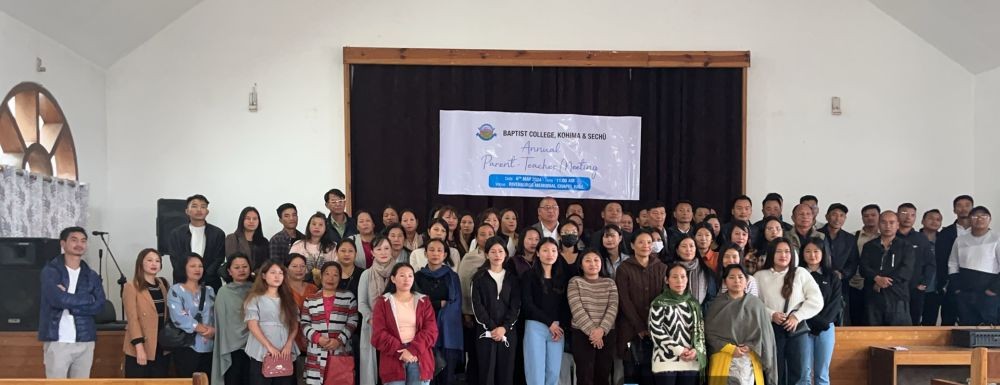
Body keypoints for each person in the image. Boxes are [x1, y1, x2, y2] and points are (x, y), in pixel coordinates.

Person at [754, 237, 823, 385]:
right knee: (774, 372)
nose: (783, 255)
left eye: (787, 251)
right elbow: (753, 303)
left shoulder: (801, 273)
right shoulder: (760, 276)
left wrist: (797, 317)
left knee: (799, 373)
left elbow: (817, 300)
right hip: (771, 329)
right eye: (779, 251)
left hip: (796, 329)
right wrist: (771, 314)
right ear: (771, 254)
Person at [38, 227, 105, 379]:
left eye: (83, 241)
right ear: (63, 243)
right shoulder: (51, 271)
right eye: (74, 240)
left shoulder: (91, 275)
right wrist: (88, 299)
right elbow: (57, 299)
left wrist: (68, 299)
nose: (79, 244)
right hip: (58, 340)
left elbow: (100, 305)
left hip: (85, 340)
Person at [705, 264, 777, 385]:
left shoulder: (756, 304)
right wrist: (731, 349)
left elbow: (766, 337)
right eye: (731, 277)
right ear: (725, 281)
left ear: (747, 281)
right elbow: (709, 335)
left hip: (750, 359)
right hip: (723, 358)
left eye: (740, 277)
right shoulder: (716, 305)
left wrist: (750, 346)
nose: (736, 281)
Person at [371, 263, 439, 385]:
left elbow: (431, 331)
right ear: (393, 279)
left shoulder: (423, 301)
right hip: (392, 357)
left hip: (418, 356)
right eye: (402, 275)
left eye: (410, 276)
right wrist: (401, 351)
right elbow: (378, 334)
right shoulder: (383, 302)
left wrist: (412, 350)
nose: (407, 279)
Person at [616, 229, 668, 385]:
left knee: (650, 375)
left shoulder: (662, 267)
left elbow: (664, 299)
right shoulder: (624, 268)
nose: (646, 245)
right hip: (630, 330)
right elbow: (624, 300)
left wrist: (653, 326)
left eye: (649, 242)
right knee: (631, 373)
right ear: (632, 245)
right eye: (641, 242)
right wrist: (639, 327)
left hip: (656, 331)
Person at [471, 237, 522, 385]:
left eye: (500, 251)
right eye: (492, 251)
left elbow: (516, 306)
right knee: (486, 374)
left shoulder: (512, 278)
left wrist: (504, 328)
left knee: (506, 374)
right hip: (486, 332)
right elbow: (477, 307)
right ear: (487, 254)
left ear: (506, 254)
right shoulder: (479, 277)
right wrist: (493, 328)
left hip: (508, 333)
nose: (497, 255)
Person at [522, 238, 571, 385]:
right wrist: (549, 323)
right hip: (535, 326)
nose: (550, 254)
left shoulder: (562, 277)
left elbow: (566, 306)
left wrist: (561, 326)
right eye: (545, 250)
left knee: (553, 373)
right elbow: (527, 304)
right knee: (535, 373)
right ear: (537, 253)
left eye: (553, 250)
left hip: (558, 329)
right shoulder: (529, 276)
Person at [301, 261, 359, 385]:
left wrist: (339, 340)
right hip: (316, 351)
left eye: (335, 275)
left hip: (340, 351)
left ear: (340, 278)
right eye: (327, 274)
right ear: (321, 276)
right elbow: (304, 323)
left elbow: (353, 321)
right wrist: (318, 338)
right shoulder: (310, 299)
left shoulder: (348, 297)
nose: (330, 278)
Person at [414, 238, 464, 385]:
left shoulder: (452, 276)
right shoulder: (417, 276)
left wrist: (433, 303)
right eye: (431, 250)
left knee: (447, 376)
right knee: (427, 375)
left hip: (447, 330)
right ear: (425, 253)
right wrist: (437, 304)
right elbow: (417, 302)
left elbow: (455, 303)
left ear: (444, 255)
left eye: (439, 250)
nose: (435, 253)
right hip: (424, 329)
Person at [244, 259, 300, 385]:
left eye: (280, 273)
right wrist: (269, 347)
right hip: (261, 349)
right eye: (273, 272)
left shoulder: (289, 299)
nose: (277, 276)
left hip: (285, 349)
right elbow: (252, 325)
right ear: (263, 275)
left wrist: (289, 344)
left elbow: (294, 324)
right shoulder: (255, 298)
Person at [649, 263, 706, 385]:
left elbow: (700, 331)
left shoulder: (693, 303)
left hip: (690, 360)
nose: (679, 280)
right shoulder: (659, 302)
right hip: (665, 361)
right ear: (667, 280)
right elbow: (655, 330)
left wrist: (696, 351)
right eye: (674, 277)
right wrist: (679, 350)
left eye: (683, 276)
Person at [568, 250, 619, 385]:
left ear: (601, 263)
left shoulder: (610, 283)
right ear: (581, 264)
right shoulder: (575, 282)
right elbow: (576, 308)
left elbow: (613, 308)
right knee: (584, 376)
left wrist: (601, 330)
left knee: (603, 375)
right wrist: (593, 331)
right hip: (582, 334)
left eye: (596, 260)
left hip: (607, 334)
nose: (593, 264)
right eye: (588, 260)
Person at [860, 211, 915, 326]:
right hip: (873, 296)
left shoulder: (906, 246)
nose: (888, 226)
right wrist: (876, 278)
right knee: (873, 335)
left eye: (891, 222)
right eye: (884, 222)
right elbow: (863, 268)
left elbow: (906, 270)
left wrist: (883, 282)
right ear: (879, 224)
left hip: (897, 296)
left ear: (898, 225)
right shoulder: (869, 246)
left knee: (898, 336)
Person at [948, 206, 1000, 326]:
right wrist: (957, 288)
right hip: (965, 290)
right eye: (975, 216)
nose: (979, 219)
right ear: (970, 220)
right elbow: (953, 264)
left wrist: (994, 289)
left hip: (989, 290)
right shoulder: (960, 240)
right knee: (966, 324)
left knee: (990, 324)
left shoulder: (996, 238)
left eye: (984, 216)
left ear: (990, 219)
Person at [123, 248, 170, 378]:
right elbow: (133, 319)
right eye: (149, 260)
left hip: (160, 345)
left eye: (157, 261)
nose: (154, 264)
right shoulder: (131, 286)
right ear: (141, 263)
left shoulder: (162, 284)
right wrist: (139, 348)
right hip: (140, 345)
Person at [168, 253, 217, 379]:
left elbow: (216, 315)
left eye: (200, 266)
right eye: (193, 266)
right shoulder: (176, 290)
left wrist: (215, 330)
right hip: (186, 346)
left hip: (209, 346)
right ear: (184, 268)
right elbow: (179, 317)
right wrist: (205, 330)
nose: (197, 269)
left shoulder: (209, 290)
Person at [800, 240, 842, 385]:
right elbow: (797, 302)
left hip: (825, 328)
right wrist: (811, 322)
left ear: (824, 254)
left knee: (822, 375)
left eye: (816, 251)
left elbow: (835, 304)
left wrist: (821, 323)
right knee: (803, 373)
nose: (812, 255)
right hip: (803, 327)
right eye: (808, 251)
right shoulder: (798, 274)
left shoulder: (832, 276)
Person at [211, 253, 253, 385]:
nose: (241, 270)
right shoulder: (223, 293)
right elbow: (221, 324)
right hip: (231, 347)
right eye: (237, 267)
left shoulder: (257, 290)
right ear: (229, 271)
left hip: (255, 346)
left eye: (245, 266)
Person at [358, 236, 395, 385]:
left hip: (395, 329)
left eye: (386, 248)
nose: (383, 252)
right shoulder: (366, 274)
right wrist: (372, 319)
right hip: (372, 326)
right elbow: (361, 303)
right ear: (372, 252)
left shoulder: (400, 271)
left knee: (393, 369)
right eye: (378, 249)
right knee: (374, 367)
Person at [168, 194, 226, 289]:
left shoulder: (218, 233)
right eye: (194, 206)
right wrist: (188, 276)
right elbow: (175, 258)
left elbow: (219, 259)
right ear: (187, 211)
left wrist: (204, 276)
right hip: (184, 282)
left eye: (203, 207)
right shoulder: (176, 233)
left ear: (207, 211)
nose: (199, 210)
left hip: (210, 283)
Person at [933, 196, 973, 326]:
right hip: (951, 282)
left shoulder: (984, 233)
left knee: (972, 320)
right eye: (959, 206)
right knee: (948, 319)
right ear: (954, 210)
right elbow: (940, 259)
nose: (963, 209)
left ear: (972, 208)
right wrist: (943, 283)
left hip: (975, 284)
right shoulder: (945, 233)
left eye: (967, 205)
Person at [895, 203, 936, 325]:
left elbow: (930, 263)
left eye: (912, 215)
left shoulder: (921, 239)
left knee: (913, 321)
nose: (908, 217)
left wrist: (923, 283)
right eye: (904, 214)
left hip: (915, 288)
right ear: (897, 215)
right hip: (894, 288)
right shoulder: (890, 236)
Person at [817, 204, 859, 323]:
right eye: (834, 214)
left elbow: (854, 262)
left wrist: (842, 274)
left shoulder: (850, 239)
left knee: (841, 315)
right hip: (819, 280)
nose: (837, 218)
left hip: (841, 282)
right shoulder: (817, 235)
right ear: (827, 216)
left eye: (842, 216)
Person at [287, 254, 320, 383]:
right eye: (294, 266)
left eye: (302, 266)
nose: (299, 269)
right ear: (286, 268)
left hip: (312, 340)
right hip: (290, 342)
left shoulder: (313, 288)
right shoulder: (282, 289)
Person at [848, 204, 881, 326]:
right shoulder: (852, 236)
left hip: (876, 285)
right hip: (855, 284)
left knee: (873, 320)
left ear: (879, 216)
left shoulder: (886, 237)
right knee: (855, 319)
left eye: (873, 215)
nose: (870, 218)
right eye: (866, 216)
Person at [675, 235, 718, 312]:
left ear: (696, 249)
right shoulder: (670, 270)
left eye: (691, 246)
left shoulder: (706, 271)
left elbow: (712, 297)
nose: (688, 249)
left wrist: (698, 311)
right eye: (684, 246)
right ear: (677, 251)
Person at [291, 213, 338, 282]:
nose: (317, 227)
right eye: (314, 224)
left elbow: (336, 268)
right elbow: (290, 266)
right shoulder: (298, 244)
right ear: (309, 226)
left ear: (326, 228)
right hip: (301, 283)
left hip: (326, 283)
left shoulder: (332, 246)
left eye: (320, 225)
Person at [919, 208, 944, 325]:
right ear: (922, 221)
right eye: (931, 218)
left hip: (935, 289)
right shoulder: (913, 238)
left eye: (938, 219)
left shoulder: (944, 240)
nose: (934, 221)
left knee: (930, 322)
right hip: (914, 288)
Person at [226, 206, 271, 271]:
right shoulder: (232, 238)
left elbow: (267, 263)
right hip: (240, 278)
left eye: (255, 219)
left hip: (259, 278)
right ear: (242, 220)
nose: (251, 221)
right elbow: (231, 262)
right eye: (248, 218)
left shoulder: (264, 241)